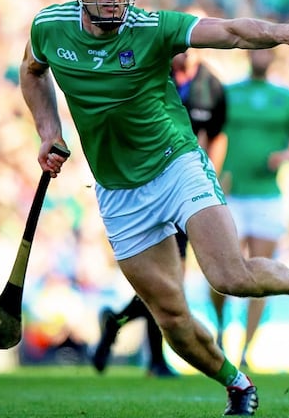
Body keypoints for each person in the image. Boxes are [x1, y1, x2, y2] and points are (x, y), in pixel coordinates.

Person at [21, 0, 289, 416]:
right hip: (117, 190)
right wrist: (49, 131)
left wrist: (282, 32)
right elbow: (32, 71)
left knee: (231, 276)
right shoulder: (49, 26)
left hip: (177, 165)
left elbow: (228, 31)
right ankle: (238, 384)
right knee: (172, 319)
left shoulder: (152, 28)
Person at [91, 50, 228, 378]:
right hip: (149, 186)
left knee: (171, 281)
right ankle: (152, 355)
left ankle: (122, 327)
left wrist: (208, 182)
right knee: (168, 281)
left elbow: (216, 137)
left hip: (185, 188)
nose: (185, 51)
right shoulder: (152, 71)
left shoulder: (212, 86)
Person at [212, 48, 289, 368]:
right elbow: (208, 136)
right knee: (220, 271)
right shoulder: (228, 94)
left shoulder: (286, 98)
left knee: (260, 273)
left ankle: (244, 351)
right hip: (231, 194)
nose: (260, 56)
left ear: (273, 58)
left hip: (267, 196)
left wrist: (286, 157)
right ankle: (218, 330)